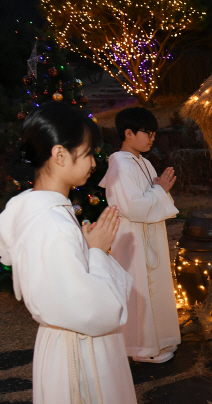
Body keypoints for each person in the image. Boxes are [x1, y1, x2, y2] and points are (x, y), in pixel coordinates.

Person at [0, 103, 136, 403]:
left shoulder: (41, 211)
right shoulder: (52, 224)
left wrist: (85, 250)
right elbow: (91, 310)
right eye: (88, 153)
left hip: (64, 343)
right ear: (60, 155)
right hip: (79, 350)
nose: (93, 162)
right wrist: (98, 253)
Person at [99, 107, 180, 363]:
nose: (152, 138)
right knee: (139, 290)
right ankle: (141, 348)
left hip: (148, 234)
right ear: (128, 133)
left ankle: (158, 340)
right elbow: (132, 207)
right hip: (132, 237)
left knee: (154, 288)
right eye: (147, 133)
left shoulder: (143, 162)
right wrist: (159, 191)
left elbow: (151, 198)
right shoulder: (120, 165)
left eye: (154, 134)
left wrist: (160, 190)